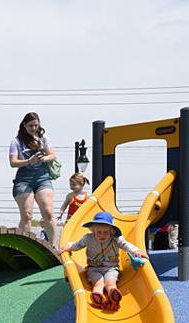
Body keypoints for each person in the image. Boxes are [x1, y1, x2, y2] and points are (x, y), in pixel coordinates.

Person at [59, 211, 147, 311]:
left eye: (106, 232)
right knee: (98, 283)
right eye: (99, 232)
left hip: (111, 268)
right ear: (93, 231)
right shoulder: (88, 238)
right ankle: (98, 296)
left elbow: (126, 245)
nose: (102, 235)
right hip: (94, 269)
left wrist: (136, 251)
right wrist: (68, 247)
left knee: (110, 282)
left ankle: (113, 294)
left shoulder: (116, 239)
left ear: (111, 231)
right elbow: (77, 245)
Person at [10, 112, 59, 245]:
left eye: (36, 125)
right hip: (23, 179)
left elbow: (52, 155)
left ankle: (52, 246)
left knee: (48, 212)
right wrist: (28, 161)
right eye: (31, 125)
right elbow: (13, 162)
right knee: (27, 214)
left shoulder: (43, 138)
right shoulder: (16, 141)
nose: (34, 128)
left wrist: (44, 158)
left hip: (42, 178)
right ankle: (24, 246)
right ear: (24, 125)